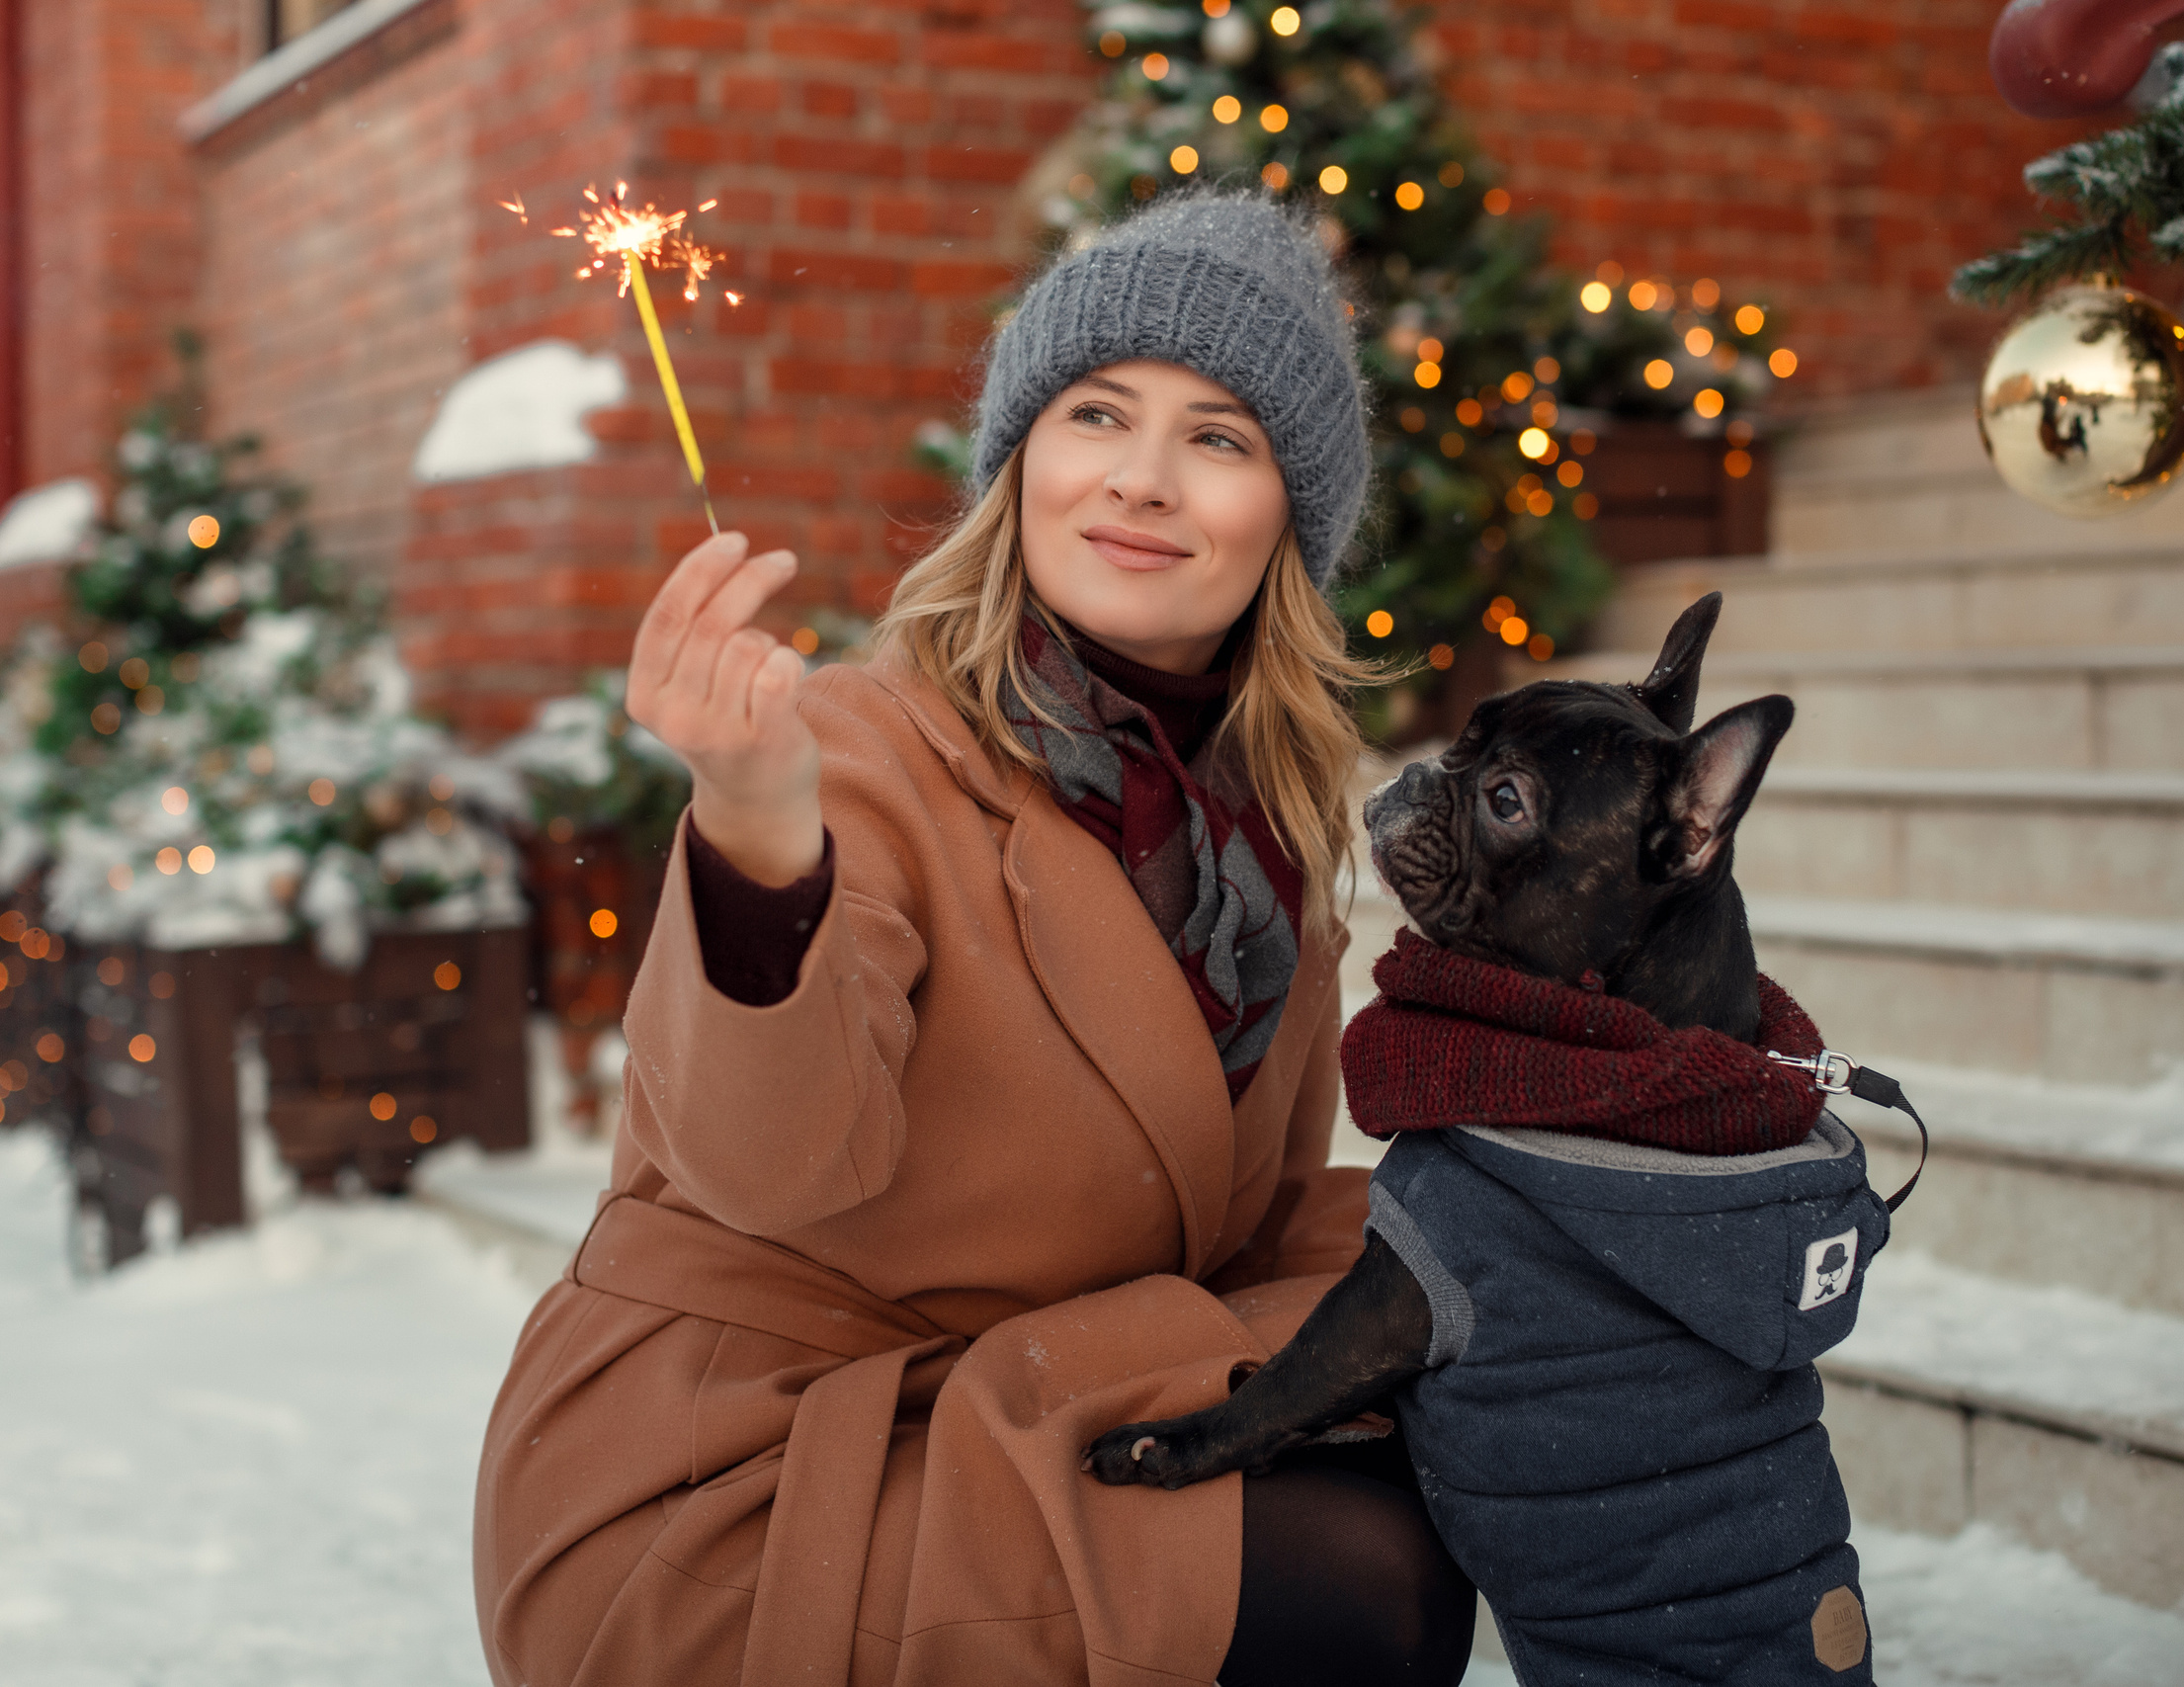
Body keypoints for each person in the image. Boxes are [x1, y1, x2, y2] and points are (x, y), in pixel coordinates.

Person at [472, 193, 1478, 1686]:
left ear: (1290, 521)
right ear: (1018, 465)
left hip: (1019, 1416)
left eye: (1218, 438)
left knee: (1457, 1469)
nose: (1140, 482)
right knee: (1361, 1585)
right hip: (747, 1466)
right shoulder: (858, 753)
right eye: (1096, 414)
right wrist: (756, 837)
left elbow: (1242, 1224)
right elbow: (768, 1162)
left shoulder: (1258, 839)